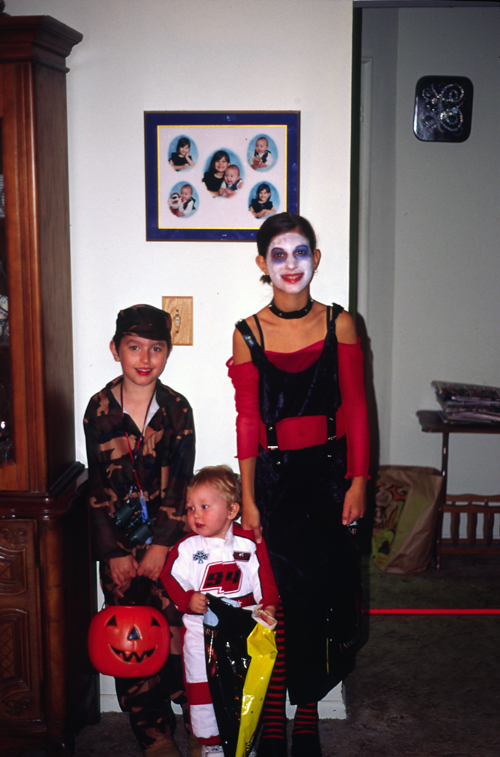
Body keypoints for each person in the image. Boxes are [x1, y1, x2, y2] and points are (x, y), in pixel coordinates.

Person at [227, 213, 370, 757]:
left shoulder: (341, 324)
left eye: (301, 252)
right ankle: (273, 714)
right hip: (275, 478)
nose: (292, 264)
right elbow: (246, 420)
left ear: (315, 258)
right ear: (263, 264)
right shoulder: (248, 333)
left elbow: (357, 408)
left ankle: (307, 708)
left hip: (331, 475)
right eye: (279, 255)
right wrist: (248, 497)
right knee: (281, 596)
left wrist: (359, 479)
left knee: (326, 594)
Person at [84, 304, 197, 757]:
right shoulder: (100, 409)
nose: (145, 358)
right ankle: (153, 735)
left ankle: (200, 724)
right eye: (134, 347)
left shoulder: (177, 409)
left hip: (169, 548)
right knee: (128, 639)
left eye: (156, 348)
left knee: (174, 635)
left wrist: (163, 547)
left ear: (167, 352)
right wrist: (112, 553)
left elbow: (184, 481)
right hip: (120, 550)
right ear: (116, 350)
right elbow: (95, 484)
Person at [161, 465, 279, 757]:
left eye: (204, 506)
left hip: (241, 628)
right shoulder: (186, 548)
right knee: (202, 689)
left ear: (231, 510)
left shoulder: (249, 542)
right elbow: (169, 577)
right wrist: (188, 599)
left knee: (242, 686)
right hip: (200, 633)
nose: (195, 515)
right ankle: (211, 744)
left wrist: (269, 607)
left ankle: (243, 742)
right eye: (190, 508)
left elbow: (265, 578)